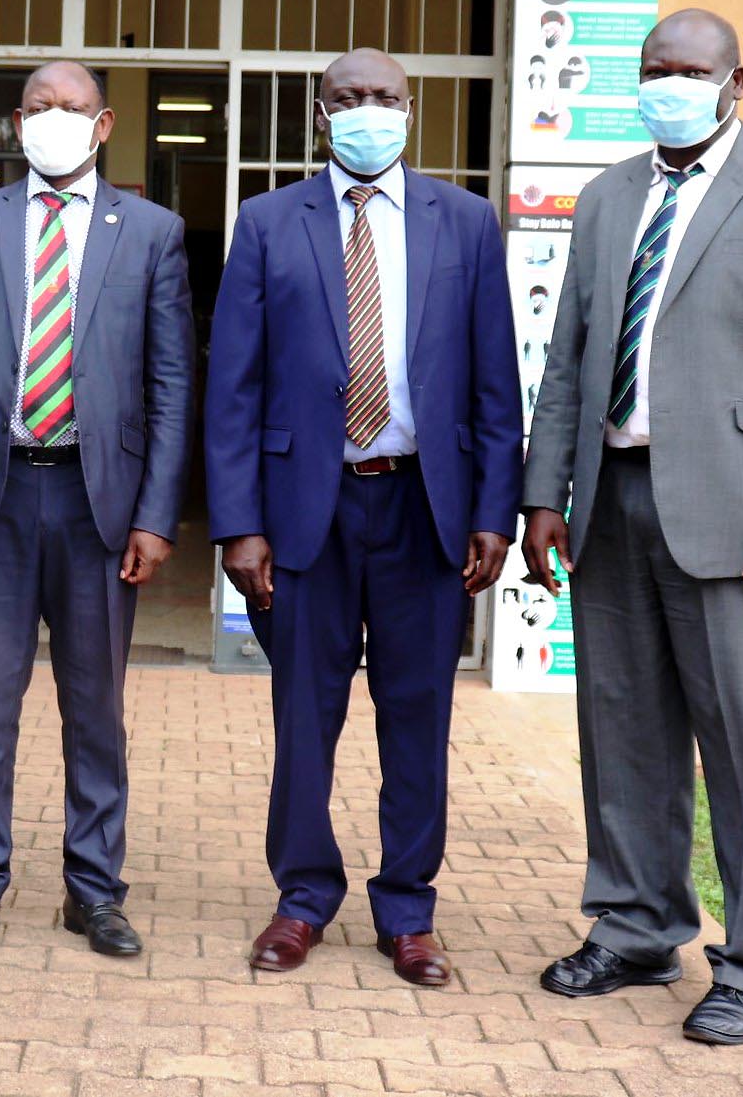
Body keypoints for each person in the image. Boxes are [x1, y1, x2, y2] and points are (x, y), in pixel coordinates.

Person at [521, 8, 743, 1045]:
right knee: (621, 732)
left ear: (733, 79)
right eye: (651, 69)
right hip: (612, 502)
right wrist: (544, 494)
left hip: (740, 517)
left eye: (686, 69)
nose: (665, 83)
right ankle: (633, 925)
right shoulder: (606, 195)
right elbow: (571, 357)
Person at [206, 48, 524, 986]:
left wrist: (493, 510)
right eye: (347, 99)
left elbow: (493, 379)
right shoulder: (267, 222)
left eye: (382, 98)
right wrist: (238, 523)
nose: (366, 112)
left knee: (416, 712)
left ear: (409, 108)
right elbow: (233, 385)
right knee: (305, 713)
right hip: (305, 507)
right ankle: (302, 897)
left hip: (426, 502)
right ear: (320, 114)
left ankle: (408, 909)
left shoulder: (463, 222)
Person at [0, 60, 195, 957]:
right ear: (17, 120)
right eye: (39, 107)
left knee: (94, 709)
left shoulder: (152, 232)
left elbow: (171, 384)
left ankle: (94, 890)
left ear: (103, 124)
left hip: (96, 504)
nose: (54, 120)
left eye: (71, 108)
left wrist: (156, 516)